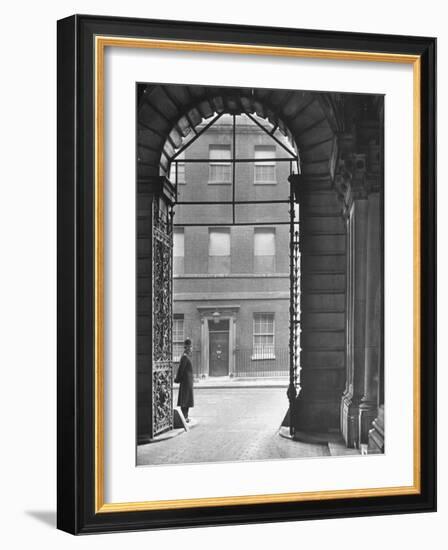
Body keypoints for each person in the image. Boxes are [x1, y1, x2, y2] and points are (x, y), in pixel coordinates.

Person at [174, 338, 194, 422]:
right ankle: (184, 418)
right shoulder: (184, 357)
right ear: (188, 347)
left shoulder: (186, 357)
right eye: (190, 347)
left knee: (187, 400)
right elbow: (181, 370)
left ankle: (185, 417)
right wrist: (177, 379)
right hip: (186, 382)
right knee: (185, 400)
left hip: (188, 382)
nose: (191, 349)